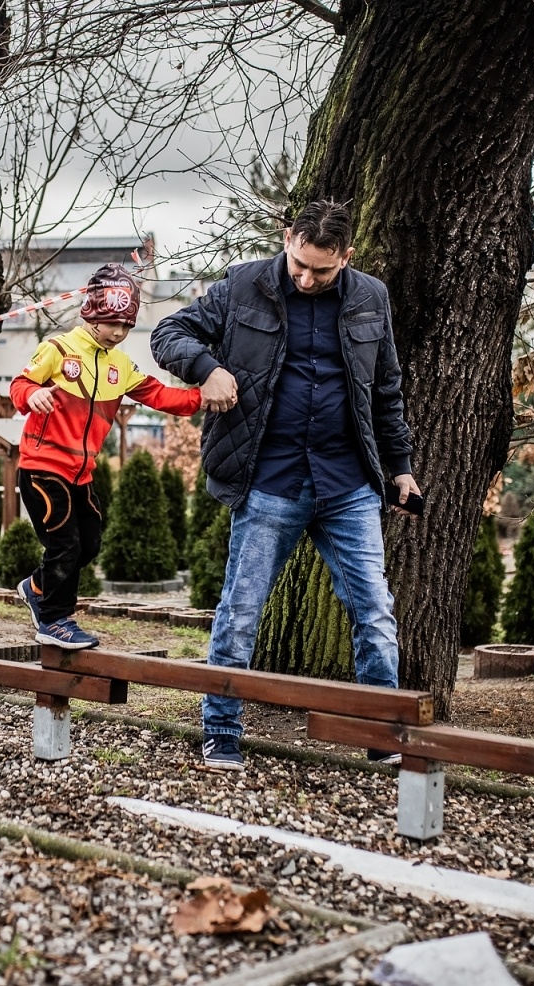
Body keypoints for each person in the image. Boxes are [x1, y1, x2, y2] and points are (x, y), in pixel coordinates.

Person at [151, 199, 418, 771]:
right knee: (240, 611)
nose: (305, 277)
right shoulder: (243, 285)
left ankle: (381, 736)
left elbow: (388, 392)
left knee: (374, 611)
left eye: (321, 270)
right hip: (268, 479)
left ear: (346, 257)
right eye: (299, 263)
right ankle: (221, 733)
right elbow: (169, 333)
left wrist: (401, 468)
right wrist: (207, 368)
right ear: (288, 237)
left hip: (349, 483)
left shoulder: (373, 298)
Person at [11, 264, 203, 649]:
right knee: (65, 545)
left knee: (91, 543)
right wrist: (32, 395)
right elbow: (20, 384)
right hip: (42, 468)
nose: (118, 332)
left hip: (81, 474)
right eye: (111, 322)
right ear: (91, 313)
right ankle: (53, 619)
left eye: (126, 325)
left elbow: (162, 396)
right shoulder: (58, 349)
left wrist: (206, 398)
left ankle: (35, 587)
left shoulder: (121, 365)